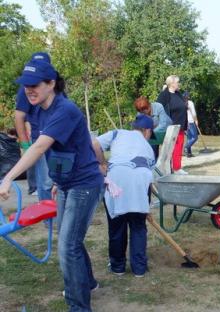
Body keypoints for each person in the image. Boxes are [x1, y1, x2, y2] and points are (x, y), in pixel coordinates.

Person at [0, 59, 103, 311]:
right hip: (66, 183)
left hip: (85, 183)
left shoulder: (64, 110)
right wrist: (57, 180)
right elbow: (57, 150)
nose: (28, 90)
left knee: (67, 245)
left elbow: (40, 147)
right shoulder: (38, 111)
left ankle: (78, 306)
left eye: (34, 85)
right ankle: (87, 282)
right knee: (71, 240)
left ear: (51, 84)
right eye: (25, 85)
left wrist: (8, 177)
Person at [92, 114, 155, 277]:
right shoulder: (148, 148)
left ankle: (117, 267)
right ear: (147, 131)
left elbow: (93, 144)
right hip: (139, 181)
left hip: (116, 179)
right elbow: (149, 178)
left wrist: (102, 163)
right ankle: (139, 268)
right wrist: (145, 207)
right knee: (138, 226)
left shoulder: (117, 133)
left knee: (116, 225)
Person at [15, 52, 54, 200]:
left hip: (59, 139)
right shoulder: (25, 89)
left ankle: (59, 213)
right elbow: (19, 116)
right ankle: (49, 219)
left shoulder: (54, 87)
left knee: (60, 179)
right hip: (39, 138)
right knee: (45, 181)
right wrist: (25, 145)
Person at [157, 75, 188, 174]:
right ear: (172, 84)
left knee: (179, 147)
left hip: (181, 126)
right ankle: (166, 169)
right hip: (170, 127)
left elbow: (183, 108)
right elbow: (158, 109)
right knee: (169, 148)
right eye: (177, 82)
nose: (179, 84)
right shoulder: (164, 95)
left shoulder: (178, 94)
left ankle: (177, 168)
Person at [133, 96, 171, 161]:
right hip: (153, 133)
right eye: (141, 111)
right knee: (152, 151)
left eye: (145, 109)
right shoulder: (140, 113)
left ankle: (168, 168)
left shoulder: (158, 106)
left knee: (167, 154)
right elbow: (140, 128)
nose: (144, 112)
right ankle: (153, 166)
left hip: (167, 130)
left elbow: (163, 124)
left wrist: (150, 131)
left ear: (149, 104)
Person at [184, 91, 198, 157]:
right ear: (188, 96)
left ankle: (189, 153)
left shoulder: (182, 103)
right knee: (195, 137)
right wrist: (196, 120)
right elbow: (194, 113)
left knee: (189, 138)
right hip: (191, 122)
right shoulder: (190, 103)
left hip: (185, 123)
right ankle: (186, 147)